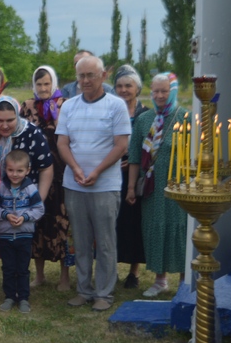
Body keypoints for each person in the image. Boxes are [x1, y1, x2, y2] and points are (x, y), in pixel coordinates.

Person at [56, 55, 131, 312]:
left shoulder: (116, 106)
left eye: (91, 75)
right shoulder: (68, 106)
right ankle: (84, 290)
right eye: (81, 76)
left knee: (105, 241)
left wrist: (97, 171)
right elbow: (62, 143)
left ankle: (104, 293)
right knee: (81, 240)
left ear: (103, 76)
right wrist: (76, 169)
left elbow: (121, 145)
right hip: (74, 184)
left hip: (105, 185)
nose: (86, 80)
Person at [0, 96, 54, 296]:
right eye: (0, 120)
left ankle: (19, 288)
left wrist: (39, 201)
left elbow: (46, 167)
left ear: (18, 116)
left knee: (18, 243)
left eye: (10, 120)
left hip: (24, 198)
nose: (4, 125)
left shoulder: (32, 133)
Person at [127, 72, 187, 297]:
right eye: (156, 91)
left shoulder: (186, 118)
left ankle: (184, 282)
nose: (160, 95)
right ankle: (160, 279)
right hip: (152, 189)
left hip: (178, 187)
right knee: (155, 230)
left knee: (178, 231)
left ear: (173, 91)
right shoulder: (144, 120)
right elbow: (134, 156)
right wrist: (131, 188)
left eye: (165, 91)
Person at [19, 66, 72, 291]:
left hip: (61, 174)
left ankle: (64, 276)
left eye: (47, 84)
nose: (43, 88)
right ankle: (39, 275)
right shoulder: (27, 107)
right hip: (33, 174)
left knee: (61, 223)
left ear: (54, 84)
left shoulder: (65, 105)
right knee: (36, 224)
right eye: (39, 84)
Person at [0, 149, 45, 314]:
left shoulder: (31, 189)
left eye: (19, 170)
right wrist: (6, 215)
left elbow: (39, 209)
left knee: (23, 268)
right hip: (5, 235)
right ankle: (9, 296)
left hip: (24, 235)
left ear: (27, 170)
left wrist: (24, 217)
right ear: (5, 169)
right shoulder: (1, 188)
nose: (14, 174)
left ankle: (23, 298)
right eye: (10, 170)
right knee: (8, 267)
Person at [113, 65, 148, 288]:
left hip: (136, 176)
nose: (124, 90)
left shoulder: (146, 114)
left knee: (135, 223)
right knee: (112, 222)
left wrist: (135, 160)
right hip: (111, 174)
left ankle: (134, 272)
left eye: (128, 85)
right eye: (120, 86)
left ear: (137, 88)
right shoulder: (110, 111)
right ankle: (111, 269)